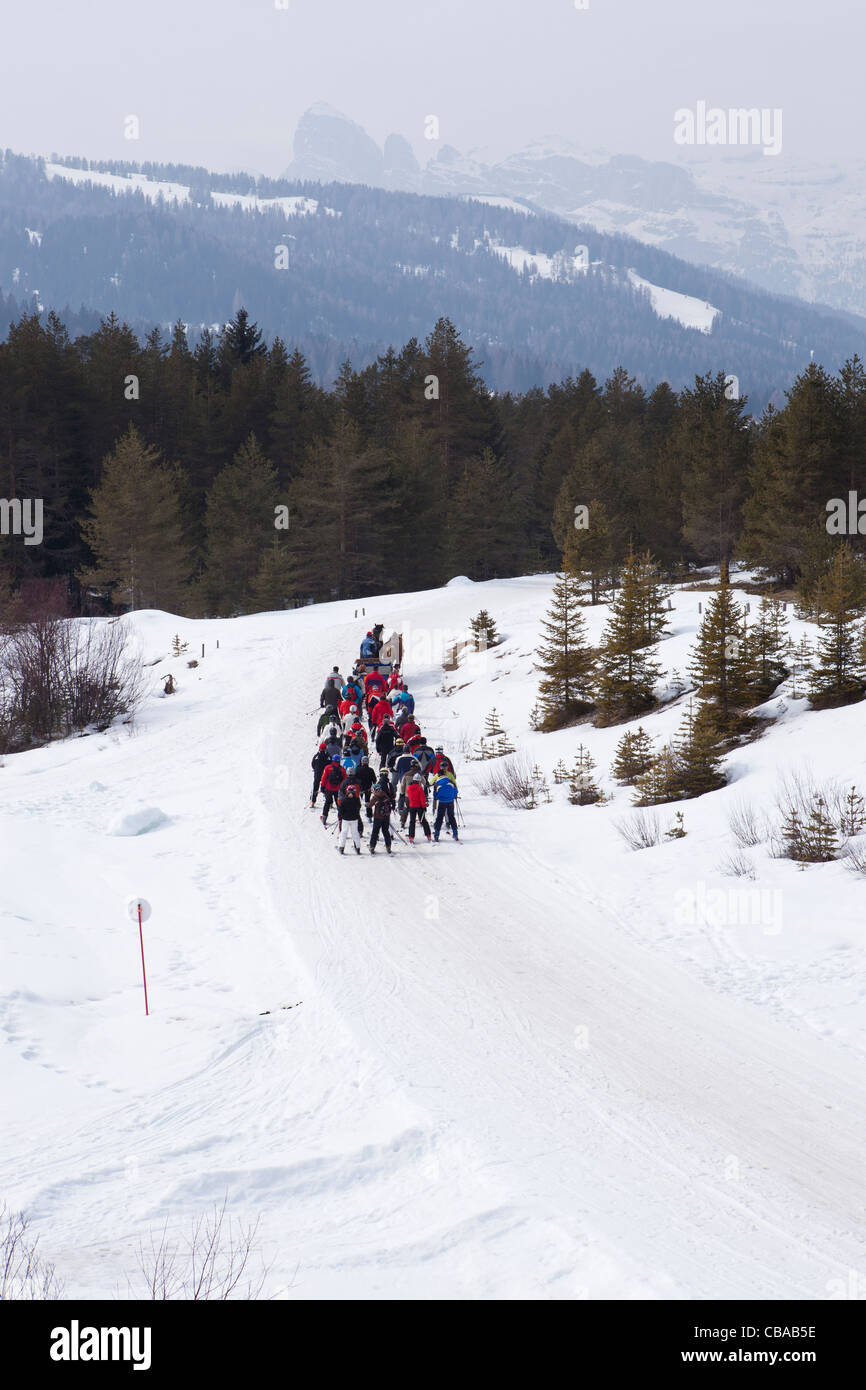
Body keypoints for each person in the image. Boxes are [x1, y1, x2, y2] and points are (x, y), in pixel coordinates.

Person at [368, 772, 395, 854]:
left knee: (375, 832)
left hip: (377, 816)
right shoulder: (385, 794)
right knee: (386, 832)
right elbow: (390, 801)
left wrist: (366, 804)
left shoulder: (375, 797)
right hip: (386, 816)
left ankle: (372, 846)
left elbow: (369, 805)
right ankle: (388, 847)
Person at [336, 783, 363, 854]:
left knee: (344, 833)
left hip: (345, 819)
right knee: (355, 833)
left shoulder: (344, 799)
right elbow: (359, 807)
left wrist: (341, 816)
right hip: (354, 819)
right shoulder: (357, 799)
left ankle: (341, 847)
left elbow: (340, 809)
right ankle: (358, 847)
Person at [432, 770, 459, 840]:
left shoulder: (437, 784)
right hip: (450, 802)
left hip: (441, 802)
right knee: (451, 817)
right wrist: (453, 796)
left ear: (439, 775)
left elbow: (435, 796)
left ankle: (437, 835)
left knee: (439, 818)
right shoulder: (451, 782)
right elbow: (456, 791)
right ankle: (455, 833)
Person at [406, 773, 431, 843]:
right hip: (420, 807)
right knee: (423, 821)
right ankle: (428, 835)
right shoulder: (420, 788)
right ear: (419, 781)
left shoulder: (409, 788)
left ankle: (411, 837)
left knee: (412, 822)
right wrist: (424, 807)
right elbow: (422, 799)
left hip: (412, 806)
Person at [320, 756, 345, 824]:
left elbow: (324, 778)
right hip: (338, 790)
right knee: (339, 804)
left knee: (327, 803)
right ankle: (340, 819)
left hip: (329, 788)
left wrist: (322, 786)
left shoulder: (328, 768)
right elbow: (344, 781)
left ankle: (324, 818)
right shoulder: (342, 769)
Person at [310, 741, 330, 807]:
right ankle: (329, 802)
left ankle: (313, 801)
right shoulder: (328, 756)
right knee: (327, 789)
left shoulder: (316, 756)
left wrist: (315, 769)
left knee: (315, 788)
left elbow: (312, 764)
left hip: (317, 775)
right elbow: (331, 764)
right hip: (325, 775)